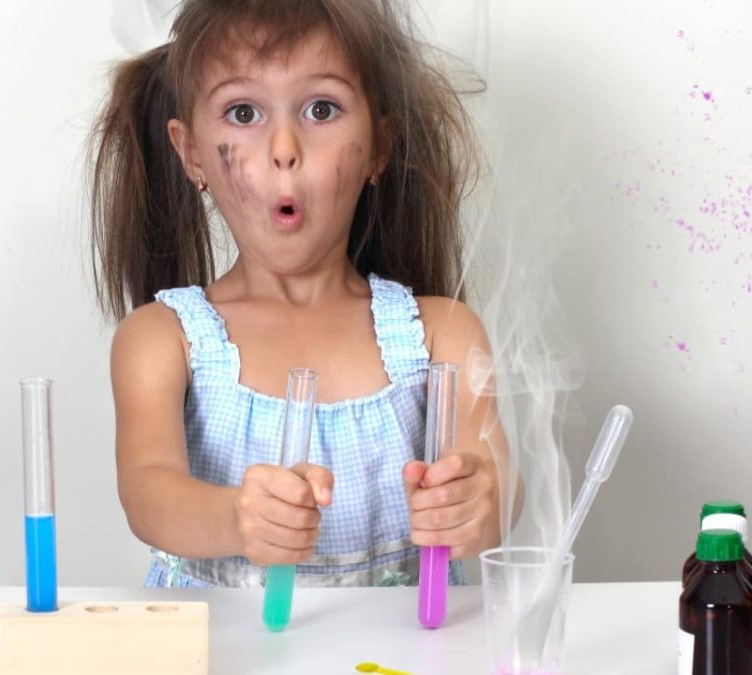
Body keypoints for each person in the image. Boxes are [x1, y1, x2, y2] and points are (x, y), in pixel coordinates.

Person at [88, 0, 520, 587]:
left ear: (378, 146)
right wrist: (237, 519)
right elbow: (147, 495)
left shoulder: (443, 333)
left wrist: (477, 504)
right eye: (243, 112)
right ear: (191, 152)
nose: (284, 146)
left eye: (322, 109)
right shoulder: (163, 339)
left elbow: (498, 491)